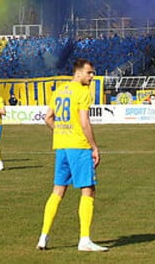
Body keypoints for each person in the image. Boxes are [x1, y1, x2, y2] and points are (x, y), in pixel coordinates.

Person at [37, 59, 107, 252]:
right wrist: (94, 147)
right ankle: (84, 239)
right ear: (78, 73)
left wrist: (61, 131)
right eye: (89, 73)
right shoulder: (83, 92)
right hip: (78, 146)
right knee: (88, 190)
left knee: (57, 191)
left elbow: (47, 118)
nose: (92, 76)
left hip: (61, 147)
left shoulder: (60, 90)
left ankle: (43, 237)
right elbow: (84, 122)